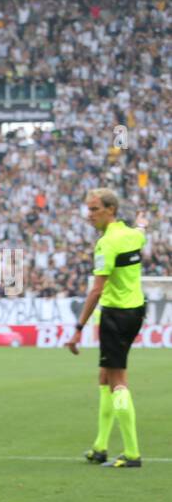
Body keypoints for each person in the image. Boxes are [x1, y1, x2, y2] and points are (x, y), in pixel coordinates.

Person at [66, 191, 146, 468]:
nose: (90, 214)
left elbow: (97, 289)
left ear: (110, 209)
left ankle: (132, 453)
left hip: (115, 315)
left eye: (95, 209)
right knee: (104, 377)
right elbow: (141, 230)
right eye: (88, 209)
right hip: (136, 310)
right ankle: (100, 447)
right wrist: (143, 221)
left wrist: (78, 328)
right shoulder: (134, 235)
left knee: (117, 380)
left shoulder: (106, 244)